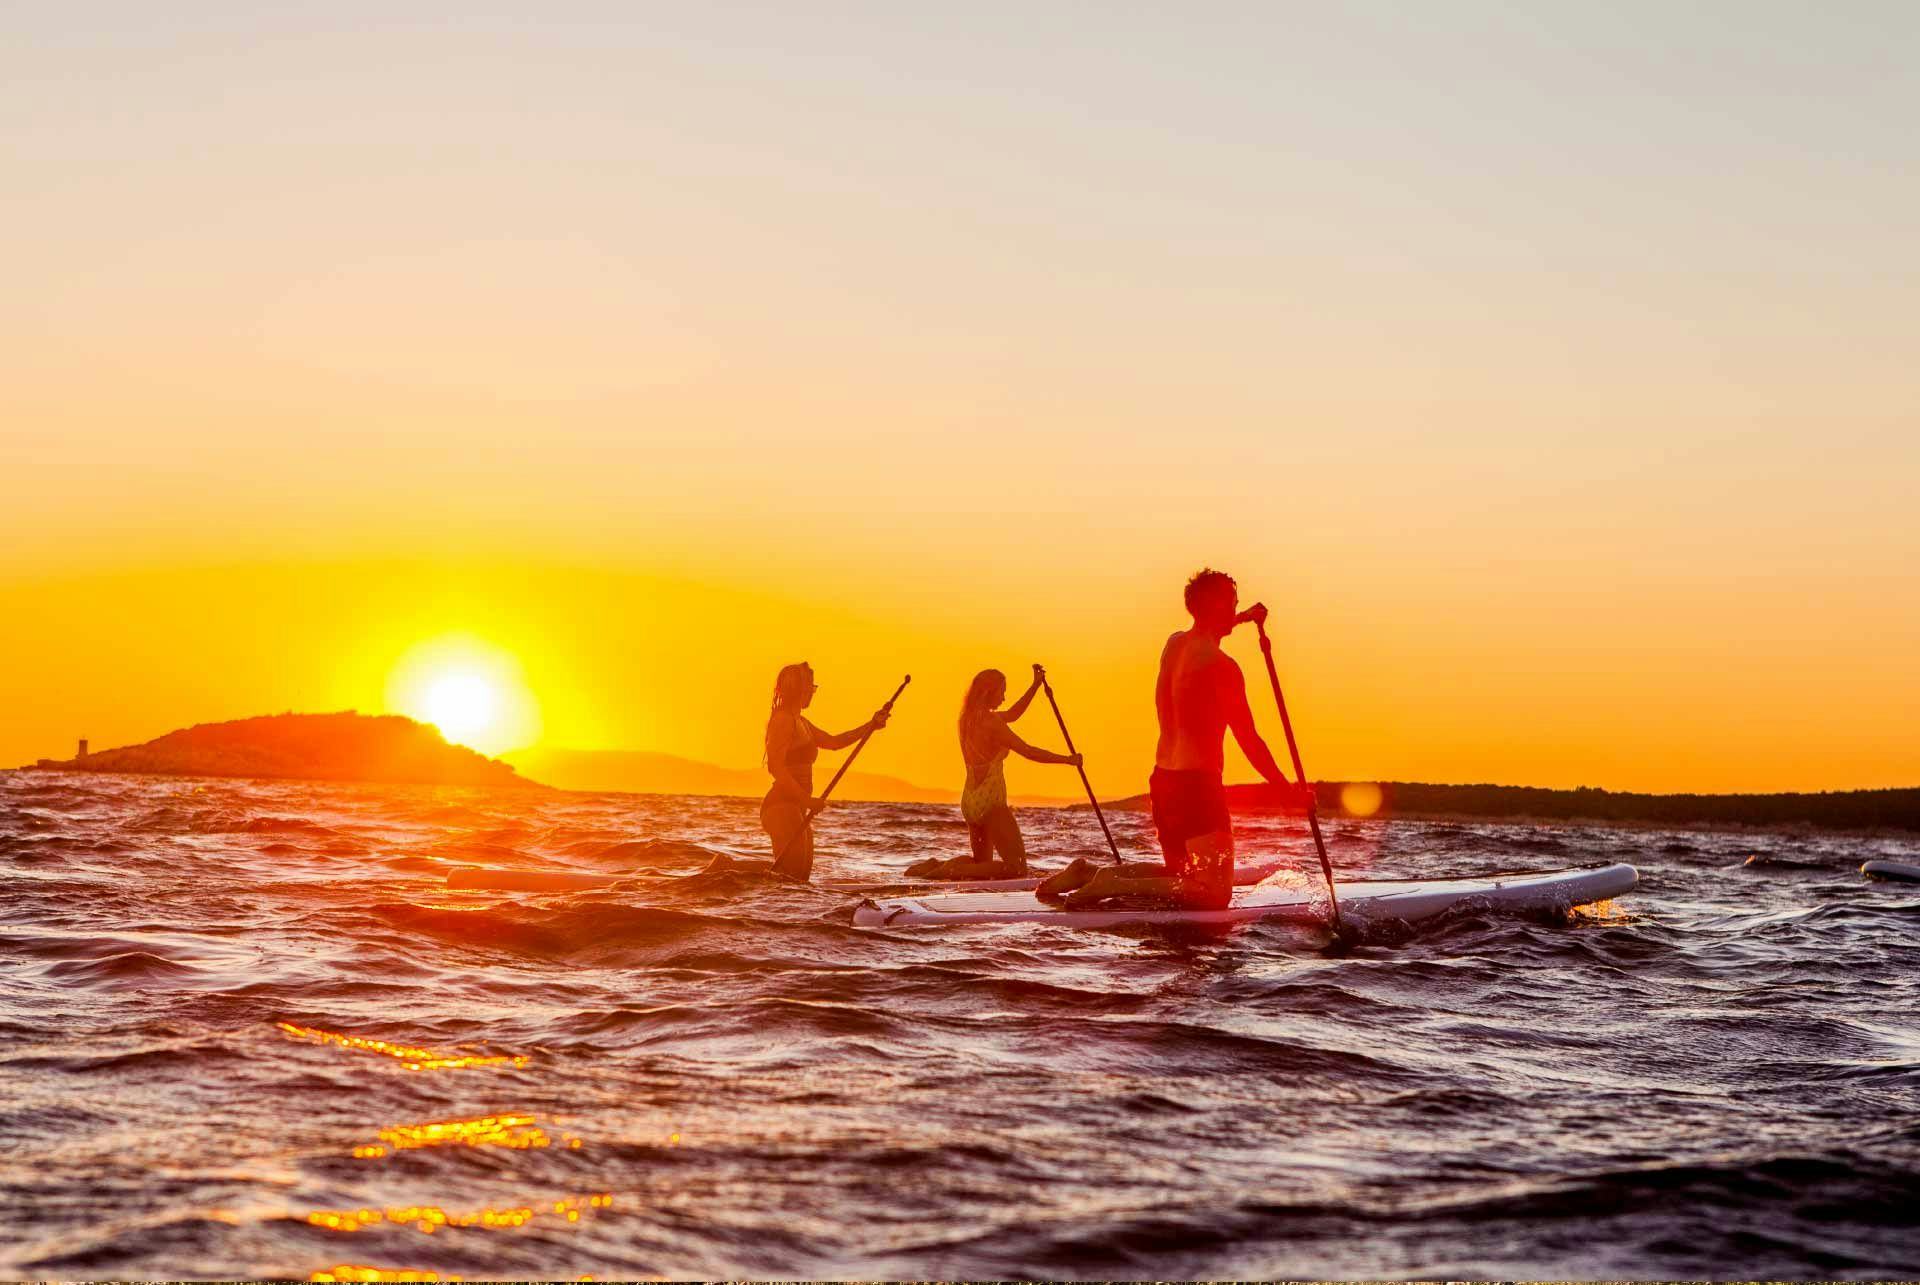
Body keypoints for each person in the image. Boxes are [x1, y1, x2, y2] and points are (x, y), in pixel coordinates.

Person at [1038, 568, 1296, 909]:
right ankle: (1110, 882)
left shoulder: (1174, 644)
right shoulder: (1224, 667)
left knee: (1181, 874)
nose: (1236, 609)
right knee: (1214, 894)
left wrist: (1246, 618)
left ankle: (1088, 872)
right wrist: (1285, 790)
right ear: (1216, 606)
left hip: (1164, 782)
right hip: (1198, 787)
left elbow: (1213, 627)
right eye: (1233, 603)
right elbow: (1249, 740)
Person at [704, 662, 890, 881]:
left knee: (800, 876)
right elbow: (776, 767)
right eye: (810, 687)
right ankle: (725, 867)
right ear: (798, 689)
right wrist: (807, 799)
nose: (812, 692)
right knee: (788, 875)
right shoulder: (783, 720)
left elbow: (834, 742)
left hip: (797, 806)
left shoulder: (802, 721)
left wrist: (871, 725)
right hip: (781, 805)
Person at [904, 665, 1082, 881]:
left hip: (970, 800)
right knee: (1016, 869)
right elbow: (1028, 751)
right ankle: (949, 870)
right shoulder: (992, 723)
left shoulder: (966, 718)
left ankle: (937, 867)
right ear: (989, 692)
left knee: (982, 865)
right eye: (1002, 691)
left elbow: (1013, 714)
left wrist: (1035, 686)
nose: (1004, 697)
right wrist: (1067, 760)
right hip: (991, 802)